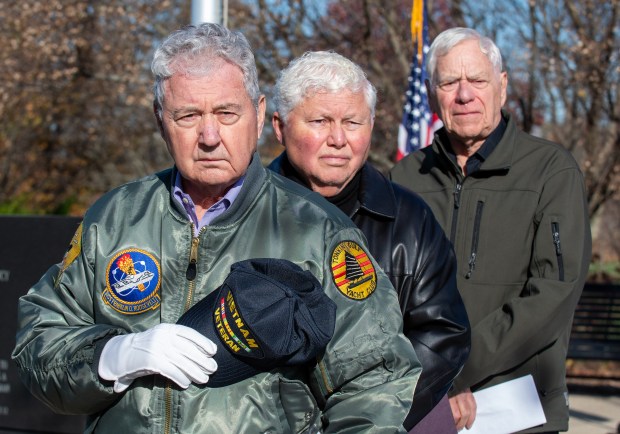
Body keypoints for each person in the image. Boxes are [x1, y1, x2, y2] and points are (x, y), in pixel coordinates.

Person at [12, 23, 422, 433]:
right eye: (188, 115)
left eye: (227, 113)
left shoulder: (318, 232)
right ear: (160, 120)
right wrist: (112, 355)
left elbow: (374, 385)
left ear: (259, 114)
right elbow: (40, 341)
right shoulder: (115, 217)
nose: (209, 136)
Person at [391, 27, 591, 433]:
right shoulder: (403, 178)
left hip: (519, 408)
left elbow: (552, 293)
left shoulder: (551, 170)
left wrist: (452, 370)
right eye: (449, 82)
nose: (464, 95)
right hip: (420, 405)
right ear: (432, 94)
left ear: (501, 86)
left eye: (477, 80)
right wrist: (425, 380)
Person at [268, 50, 471, 433]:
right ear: (280, 127)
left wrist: (372, 414)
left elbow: (443, 334)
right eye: (320, 121)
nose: (339, 139)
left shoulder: (412, 219)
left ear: (372, 125)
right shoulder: (240, 214)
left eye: (353, 122)